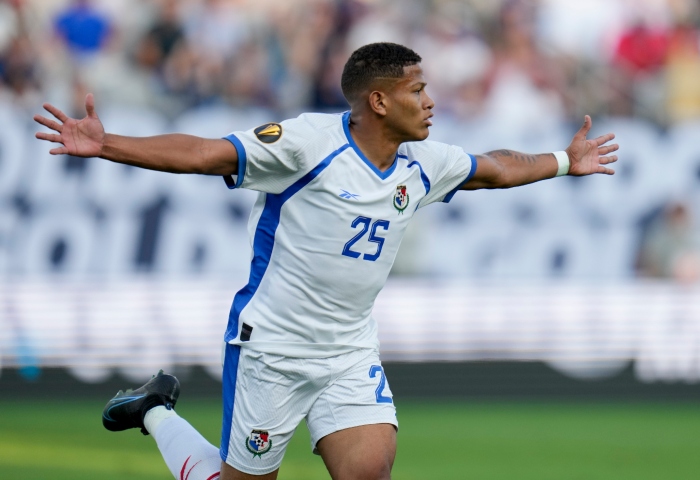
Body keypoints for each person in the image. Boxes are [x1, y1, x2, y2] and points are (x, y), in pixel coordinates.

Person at [34, 42, 618, 480]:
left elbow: (495, 167)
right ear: (380, 100)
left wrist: (564, 161)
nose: (431, 101)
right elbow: (207, 154)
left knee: (368, 472)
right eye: (418, 90)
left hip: (348, 350)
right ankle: (155, 411)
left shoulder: (422, 162)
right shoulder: (308, 142)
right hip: (273, 348)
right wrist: (107, 144)